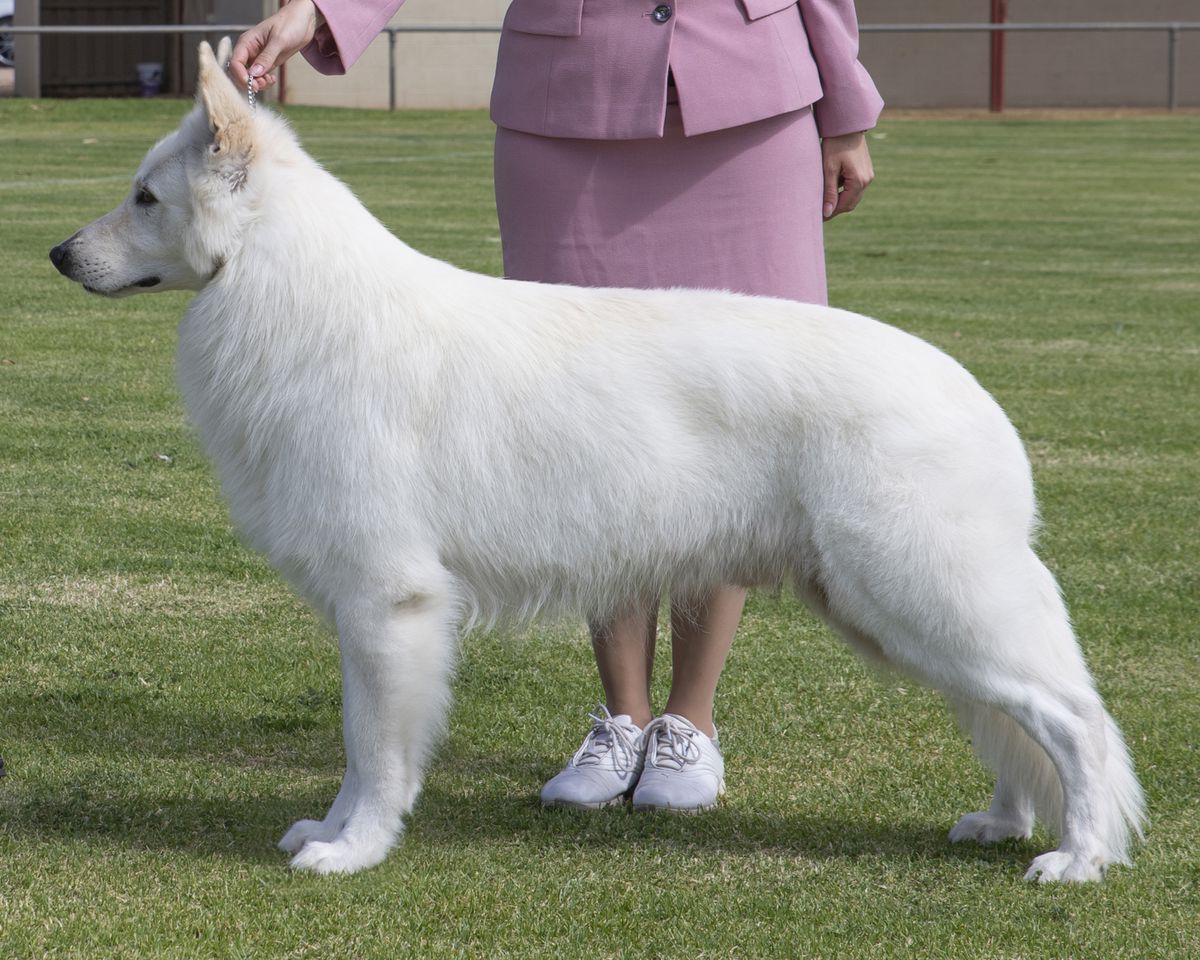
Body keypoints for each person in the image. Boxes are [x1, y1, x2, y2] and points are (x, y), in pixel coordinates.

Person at [231, 0, 881, 814]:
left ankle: (691, 720)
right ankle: (621, 716)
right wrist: (317, 11)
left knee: (736, 416)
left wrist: (846, 111)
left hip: (750, 99)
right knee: (586, 421)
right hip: (569, 101)